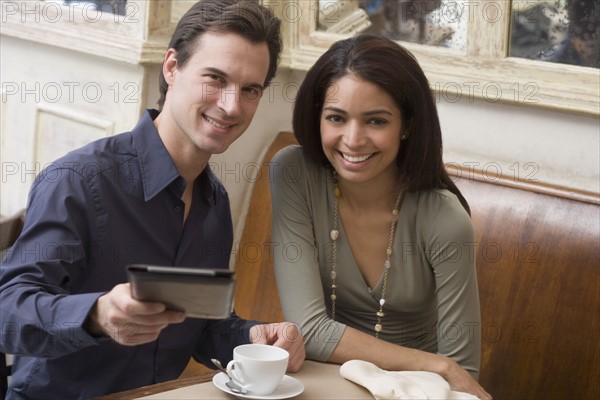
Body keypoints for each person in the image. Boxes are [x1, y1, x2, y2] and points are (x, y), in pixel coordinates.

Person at [0, 1, 305, 399]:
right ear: (172, 68)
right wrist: (95, 316)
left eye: (250, 90)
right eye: (214, 78)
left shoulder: (215, 201)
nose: (232, 106)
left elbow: (199, 323)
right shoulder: (77, 181)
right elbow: (7, 308)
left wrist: (254, 335)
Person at [270, 34, 491, 399]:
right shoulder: (294, 173)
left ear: (406, 125)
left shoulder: (445, 220)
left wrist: (442, 369)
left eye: (375, 121)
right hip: (320, 382)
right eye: (336, 118)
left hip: (413, 391)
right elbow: (308, 328)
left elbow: (460, 374)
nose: (353, 140)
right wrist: (438, 364)